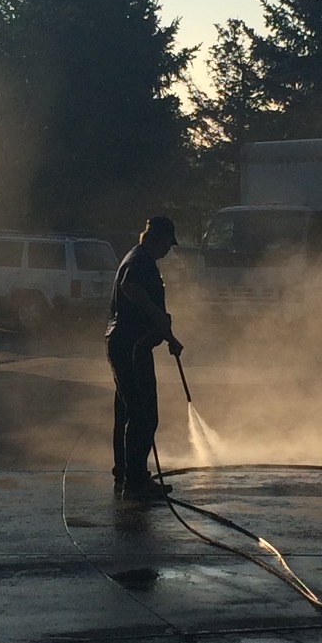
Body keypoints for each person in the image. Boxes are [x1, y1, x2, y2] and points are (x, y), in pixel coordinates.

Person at [106, 214, 184, 501]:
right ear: (157, 239)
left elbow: (149, 313)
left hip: (129, 344)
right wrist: (158, 317)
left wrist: (170, 338)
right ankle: (135, 482)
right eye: (167, 244)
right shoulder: (139, 261)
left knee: (127, 411)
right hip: (131, 347)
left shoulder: (138, 258)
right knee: (143, 414)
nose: (168, 250)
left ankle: (125, 473)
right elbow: (131, 290)